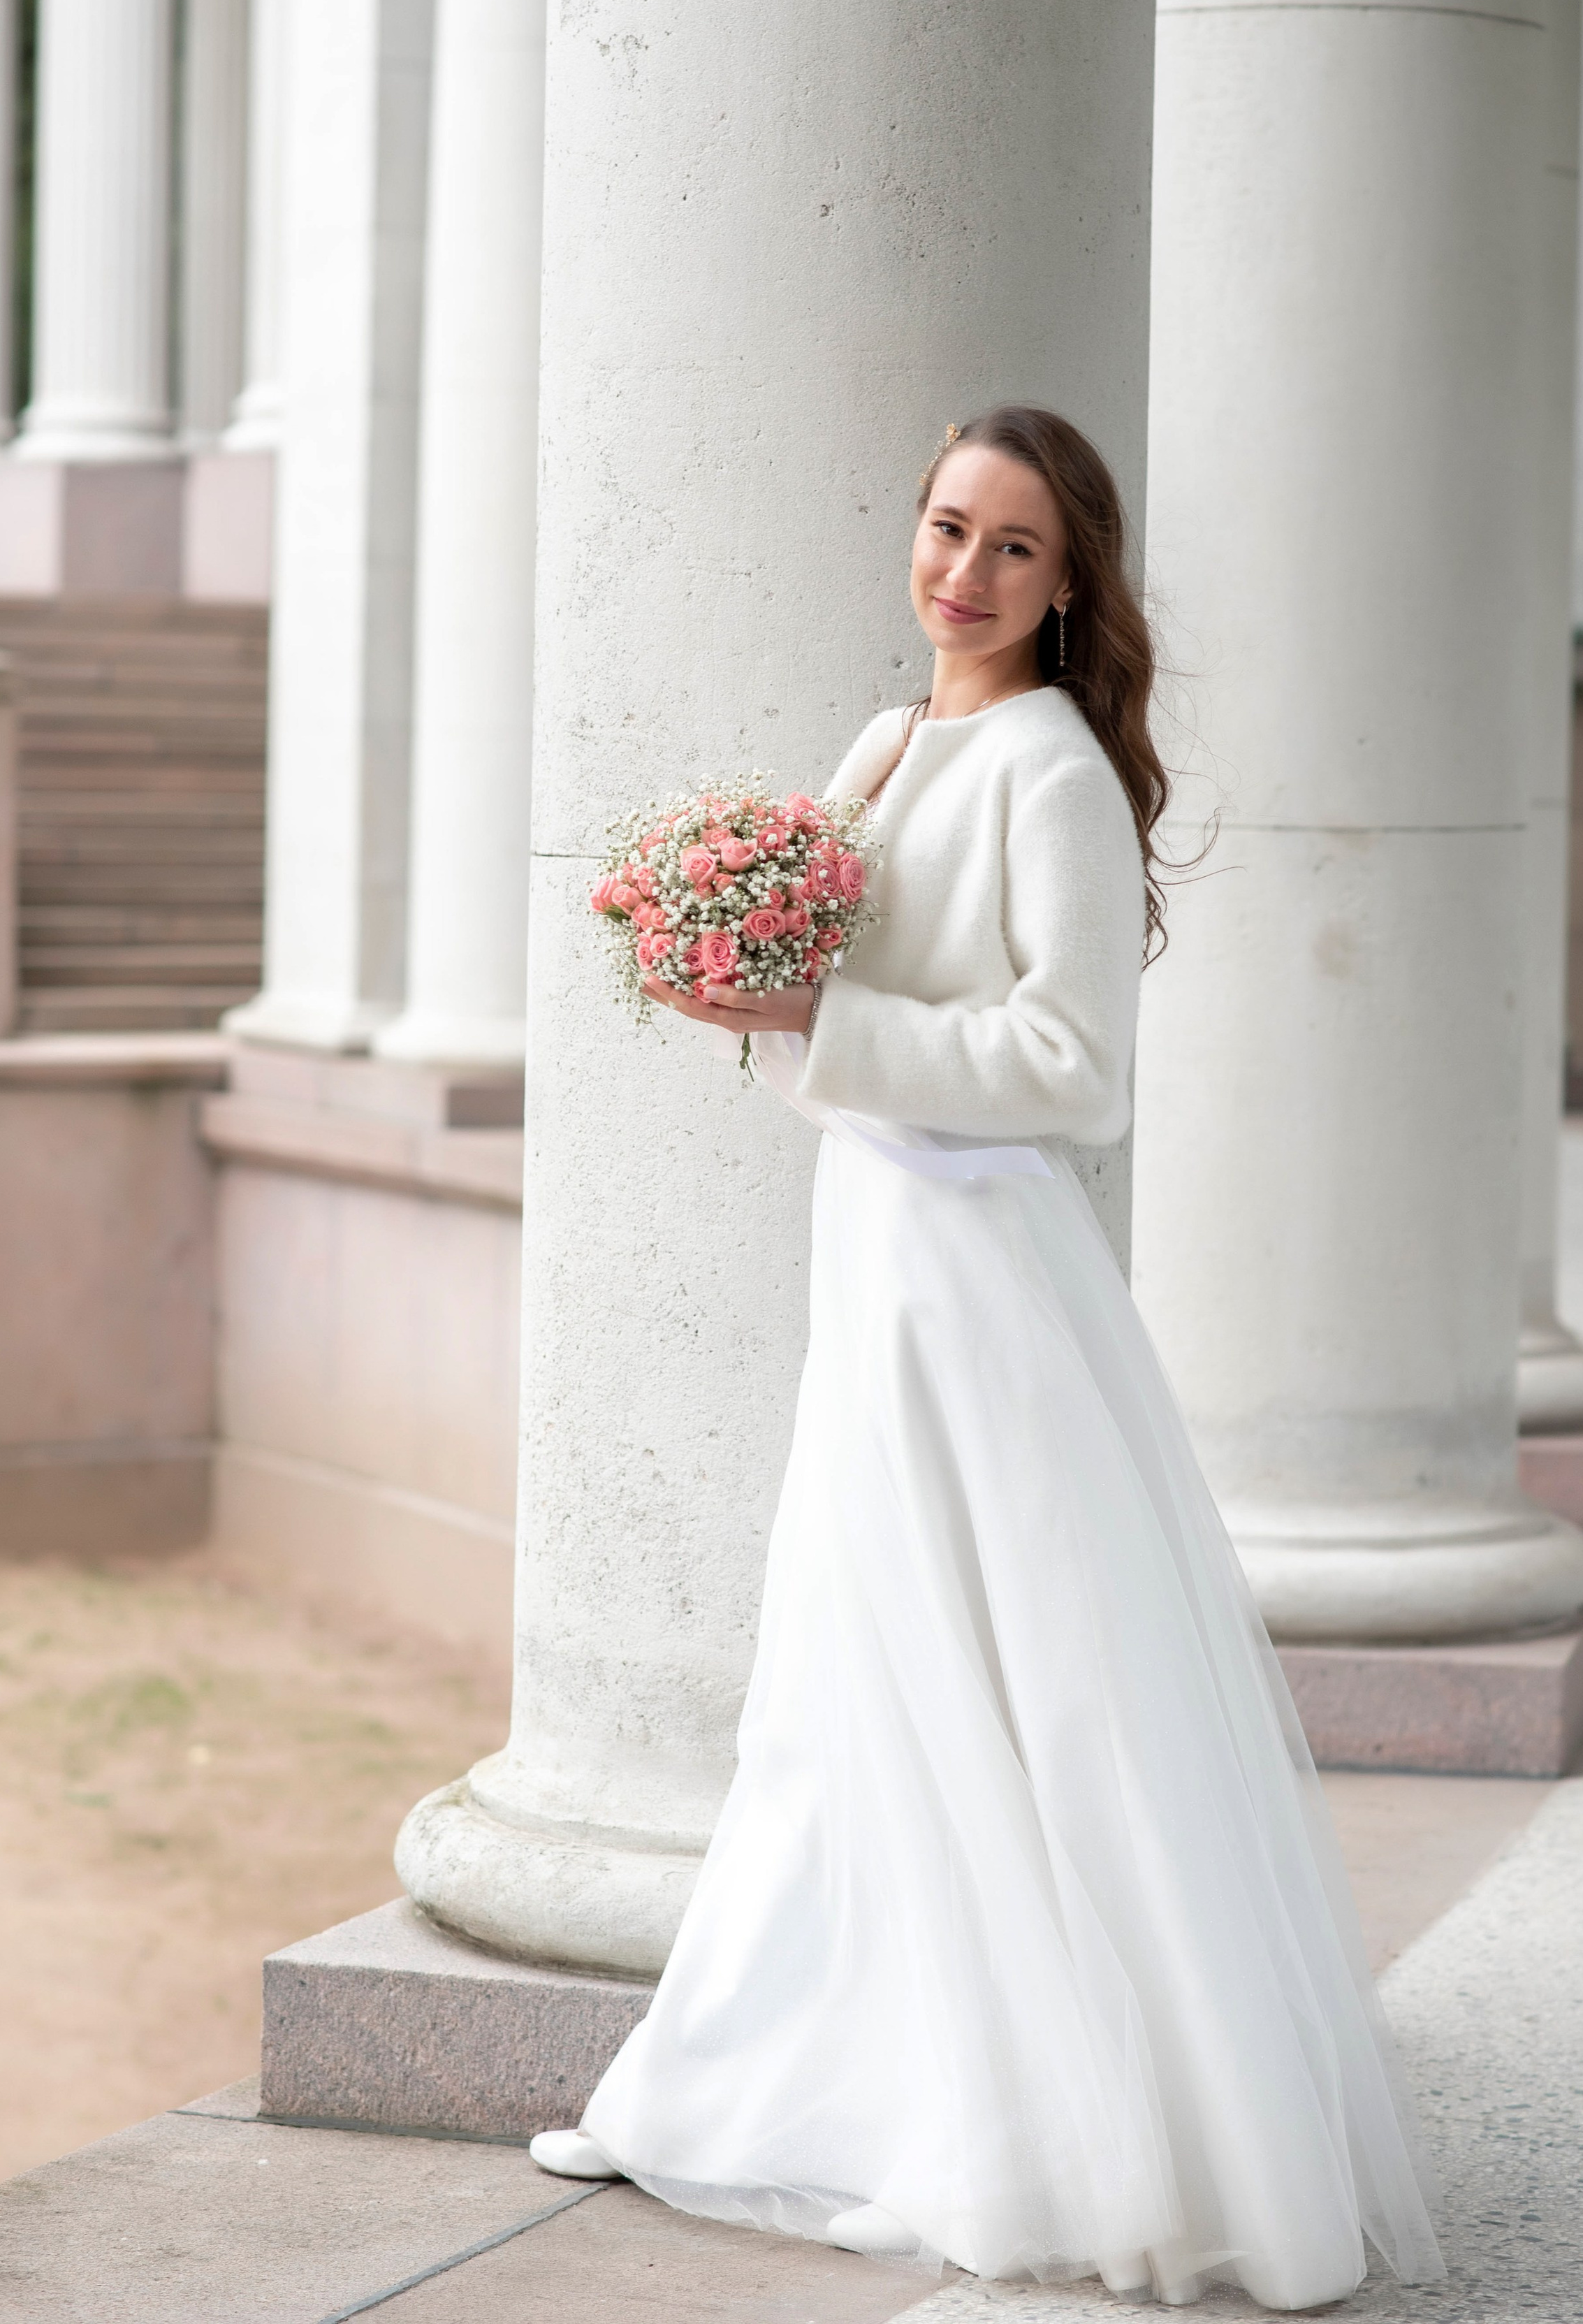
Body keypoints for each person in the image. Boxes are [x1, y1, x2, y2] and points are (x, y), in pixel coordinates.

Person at [529, 407, 1446, 2308]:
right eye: (949, 525)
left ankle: (1095, 2123)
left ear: (1070, 583)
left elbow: (1075, 1075)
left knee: (1033, 1686)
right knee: (844, 1679)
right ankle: (737, 2077)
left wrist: (820, 1011)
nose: (965, 570)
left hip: (984, 1285)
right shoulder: (889, 741)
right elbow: (843, 1026)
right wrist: (739, 992)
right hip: (874, 1251)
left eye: (1015, 546)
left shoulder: (1050, 775)